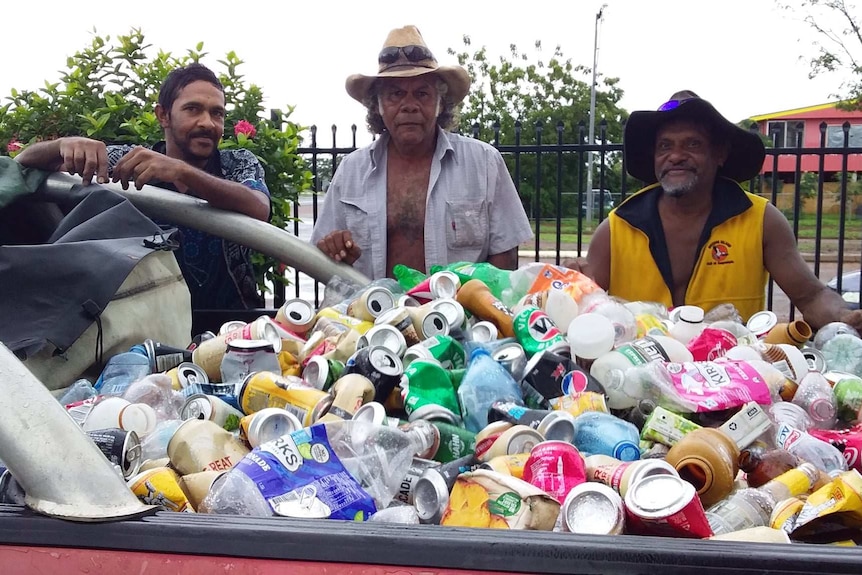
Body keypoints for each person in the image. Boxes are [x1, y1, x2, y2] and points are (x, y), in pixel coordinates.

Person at [569, 90, 862, 330]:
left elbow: (811, 296)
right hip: (639, 381)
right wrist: (568, 289)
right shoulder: (616, 228)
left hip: (738, 383)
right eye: (664, 146)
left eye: (692, 144)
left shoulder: (761, 220)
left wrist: (845, 317)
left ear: (719, 153)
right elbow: (584, 306)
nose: (676, 156)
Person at [15, 63, 270, 310]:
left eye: (217, 113)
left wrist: (183, 172)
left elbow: (258, 207)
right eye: (193, 109)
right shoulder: (128, 163)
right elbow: (21, 166)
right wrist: (61, 145)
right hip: (144, 326)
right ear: (163, 115)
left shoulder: (237, 162)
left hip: (233, 325)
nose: (207, 122)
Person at [311, 25, 533, 280]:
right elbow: (323, 257)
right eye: (396, 94)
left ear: (440, 104)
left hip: (460, 315)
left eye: (422, 94)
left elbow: (505, 255)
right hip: (371, 316)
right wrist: (338, 252)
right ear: (378, 105)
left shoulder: (483, 162)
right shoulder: (352, 170)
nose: (409, 106)